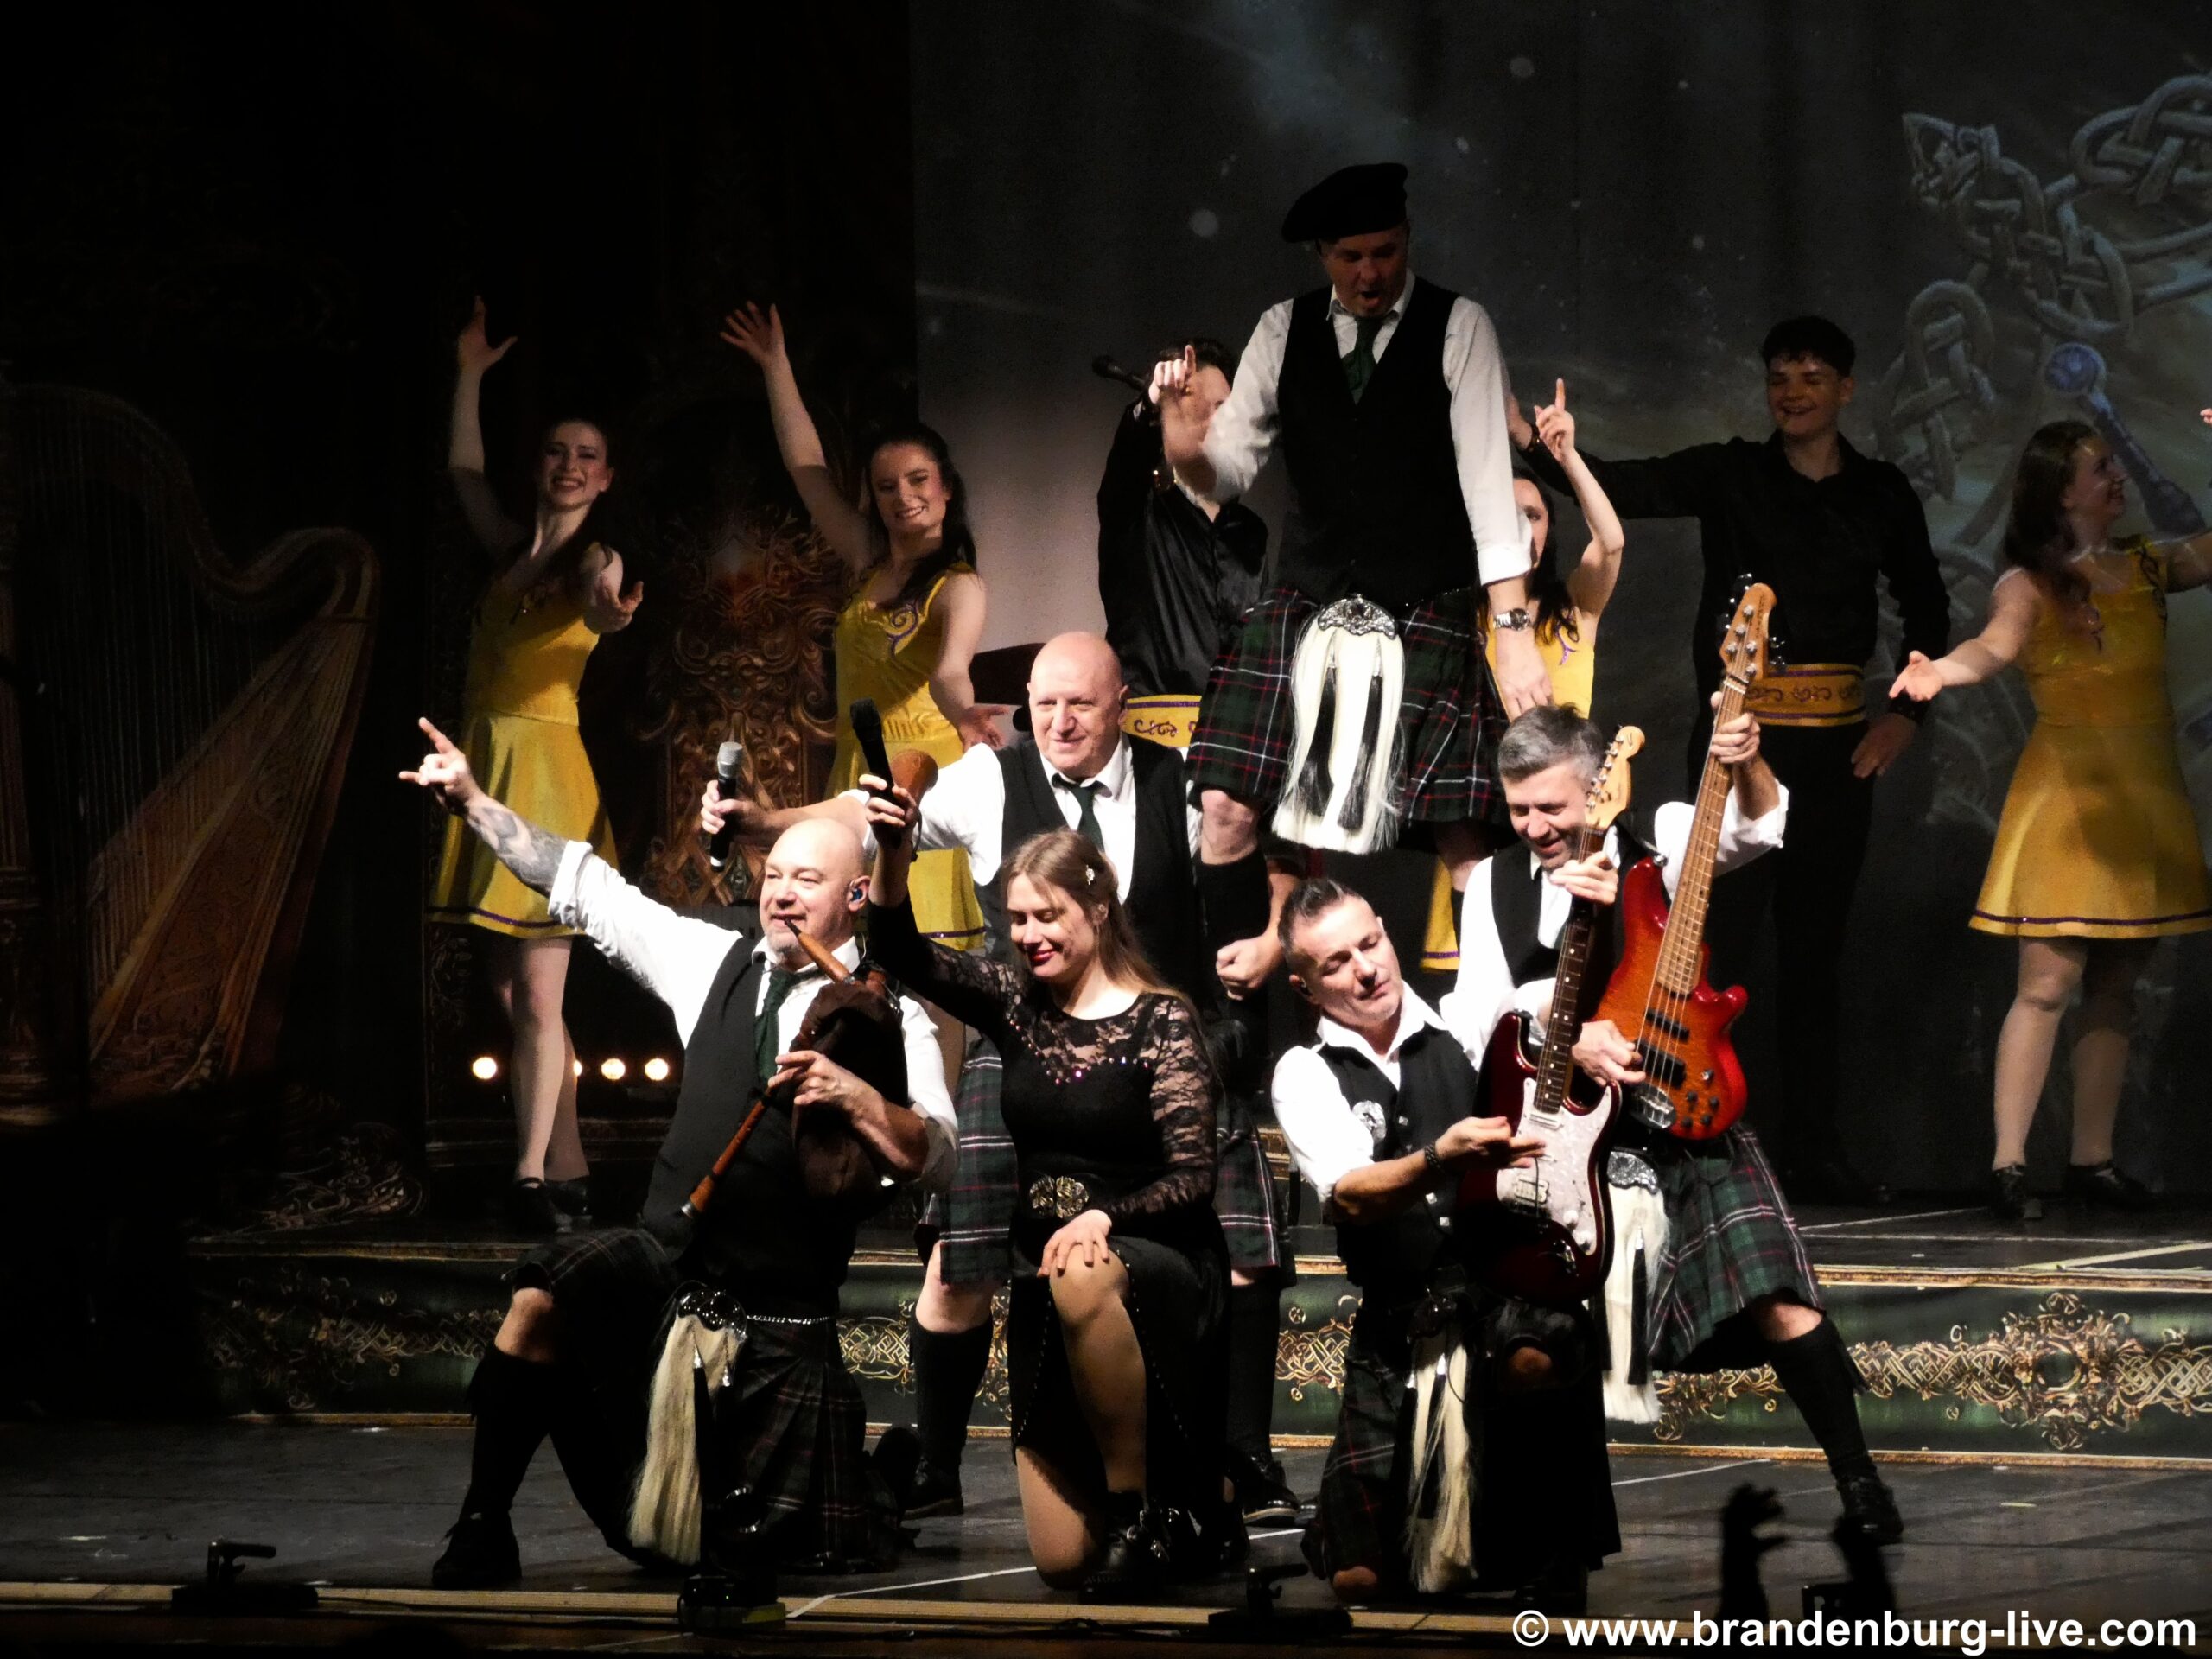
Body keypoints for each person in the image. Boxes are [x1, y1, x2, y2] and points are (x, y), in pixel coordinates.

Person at [702, 632, 1295, 1522]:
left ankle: (1242, 1459)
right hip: (1020, 1041)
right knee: (960, 1263)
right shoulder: (989, 778)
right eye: (1042, 705)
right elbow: (869, 816)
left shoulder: (1176, 783)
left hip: (1158, 1045)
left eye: (1079, 704)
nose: (1058, 722)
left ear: (1121, 705)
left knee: (1242, 1250)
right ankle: (937, 1468)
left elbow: (1269, 864)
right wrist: (765, 823)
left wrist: (1275, 935)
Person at [404, 718, 956, 1587]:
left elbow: (938, 1153)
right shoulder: (712, 961)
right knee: (544, 1295)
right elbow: (583, 886)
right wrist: (473, 802)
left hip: (778, 1321)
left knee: (749, 1555)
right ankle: (482, 1524)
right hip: (667, 1274)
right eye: (774, 876)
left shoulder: (893, 1017)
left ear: (857, 896)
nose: (781, 895)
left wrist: (856, 1096)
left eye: (807, 880)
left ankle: (876, 1482)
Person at [1514, 316, 1951, 1203]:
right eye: (1780, 377)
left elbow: (1929, 612)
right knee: (1711, 954)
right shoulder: (1731, 472)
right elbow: (1628, 488)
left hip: (1835, 754)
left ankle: (1815, 1152)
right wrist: (1552, 451)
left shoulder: (1880, 492)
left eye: (1812, 377)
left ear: (1845, 389)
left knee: (1816, 954)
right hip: (1735, 745)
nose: (1793, 392)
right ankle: (1698, 1139)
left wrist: (1904, 715)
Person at [1450, 706, 1903, 1545]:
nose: (1534, 827)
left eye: (1551, 807)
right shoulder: (1493, 885)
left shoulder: (1658, 844)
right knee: (1536, 1333)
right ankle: (1539, 1536)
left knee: (1777, 1297)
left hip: (1680, 1111)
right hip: (1573, 1136)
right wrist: (1562, 1030)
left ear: (1598, 786)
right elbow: (1476, 1020)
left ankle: (1860, 1482)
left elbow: (1760, 827)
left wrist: (1750, 758)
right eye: (1518, 809)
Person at [865, 804, 1235, 1598]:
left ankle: (1141, 1512)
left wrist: (1105, 1216)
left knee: (1083, 1270)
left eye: (1048, 915)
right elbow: (897, 950)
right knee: (1063, 1564)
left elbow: (1192, 1178)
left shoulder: (1162, 1019)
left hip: (1155, 1267)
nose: (1029, 934)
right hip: (1048, 1280)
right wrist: (894, 852)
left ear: (1097, 908)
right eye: (1017, 919)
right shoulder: (1015, 1002)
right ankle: (1184, 1508)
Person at [1158, 161, 1542, 911]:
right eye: (1351, 256)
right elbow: (1225, 473)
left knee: (1462, 829)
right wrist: (1182, 444)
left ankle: (1493, 986)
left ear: (1408, 239)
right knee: (1224, 806)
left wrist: (1514, 632)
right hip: (1308, 597)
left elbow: (1488, 487)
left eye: (1386, 252)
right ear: (1321, 255)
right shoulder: (1282, 328)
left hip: (1423, 596)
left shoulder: (1459, 325)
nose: (1370, 274)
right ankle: (1226, 982)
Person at [1891, 421, 2212, 1220]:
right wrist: (1941, 672)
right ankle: (2008, 1163)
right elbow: (1992, 648)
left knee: (2117, 986)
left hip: (2141, 797)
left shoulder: (2147, 565)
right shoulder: (2028, 585)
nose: (2117, 477)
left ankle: (2091, 1161)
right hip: (2068, 799)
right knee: (2046, 984)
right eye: (2100, 468)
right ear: (2060, 491)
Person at [1270, 876, 1618, 1611]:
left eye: (1370, 943)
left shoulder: (1466, 1025)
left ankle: (1553, 1549)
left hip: (1499, 1295)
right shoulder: (1304, 1074)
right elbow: (1350, 1194)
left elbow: (1560, 1002)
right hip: (1399, 1325)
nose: (1366, 969)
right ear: (1305, 988)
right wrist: (1439, 1158)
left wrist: (1596, 916)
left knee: (1541, 1347)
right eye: (1337, 963)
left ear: (1385, 930)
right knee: (1359, 1581)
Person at [429, 296, 644, 1231]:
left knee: (540, 995)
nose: (569, 465)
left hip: (546, 774)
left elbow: (601, 604)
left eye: (586, 456)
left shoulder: (598, 556)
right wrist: (471, 374)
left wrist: (609, 616)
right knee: (515, 993)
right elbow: (461, 470)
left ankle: (525, 1178)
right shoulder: (509, 549)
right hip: (486, 771)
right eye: (557, 452)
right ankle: (568, 1167)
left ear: (606, 477)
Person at [720, 302, 1002, 951]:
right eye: (886, 486)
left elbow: (950, 671)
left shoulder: (958, 584)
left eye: (918, 480)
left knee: (922, 949)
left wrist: (965, 718)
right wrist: (775, 363)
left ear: (946, 488)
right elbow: (806, 468)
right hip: (858, 760)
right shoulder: (868, 559)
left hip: (920, 766)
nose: (904, 496)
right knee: (860, 945)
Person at [1421, 378, 1625, 972]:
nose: (1519, 527)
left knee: (1568, 980)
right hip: (1482, 819)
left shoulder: (1575, 608)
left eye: (1532, 515)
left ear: (1549, 529)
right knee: (1486, 987)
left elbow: (1611, 540)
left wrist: (1565, 458)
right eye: (1504, 515)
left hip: (1565, 817)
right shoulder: (1458, 617)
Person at [1096, 339, 1268, 752]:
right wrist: (1154, 399)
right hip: (1149, 735)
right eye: (1193, 402)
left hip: (1233, 734)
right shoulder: (1138, 504)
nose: (1214, 420)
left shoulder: (1249, 529)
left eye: (1224, 407)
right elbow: (1130, 455)